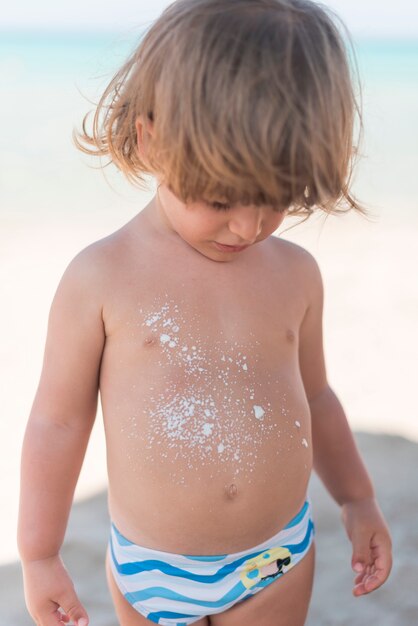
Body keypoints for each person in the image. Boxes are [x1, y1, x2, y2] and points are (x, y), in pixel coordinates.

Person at [17, 1, 393, 625]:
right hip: (152, 571)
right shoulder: (101, 278)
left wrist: (357, 500)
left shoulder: (296, 274)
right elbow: (56, 423)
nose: (248, 227)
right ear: (151, 138)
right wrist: (37, 554)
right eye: (220, 198)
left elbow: (318, 397)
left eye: (277, 200)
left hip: (274, 560)